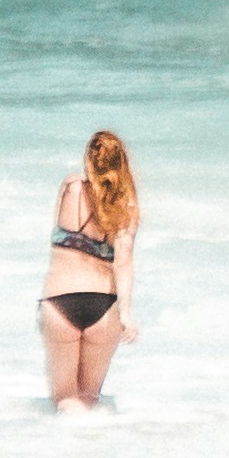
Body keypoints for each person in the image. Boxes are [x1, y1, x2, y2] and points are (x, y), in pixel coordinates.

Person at [36, 127, 141, 410]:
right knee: (90, 399)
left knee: (66, 401)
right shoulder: (125, 208)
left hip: (60, 301)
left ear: (89, 160)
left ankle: (66, 450)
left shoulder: (70, 187)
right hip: (103, 307)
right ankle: (94, 449)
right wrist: (127, 315)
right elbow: (124, 263)